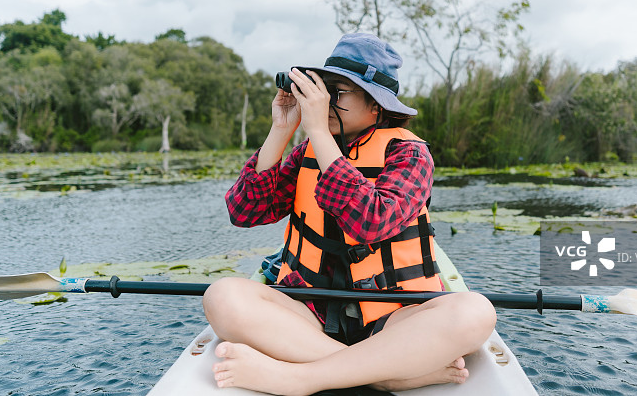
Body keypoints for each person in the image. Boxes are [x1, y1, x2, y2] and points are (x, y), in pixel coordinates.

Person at [202, 33, 496, 395]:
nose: (322, 101)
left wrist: (317, 133)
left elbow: (371, 222)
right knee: (222, 297)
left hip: (393, 313)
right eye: (321, 89)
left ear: (376, 106)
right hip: (310, 312)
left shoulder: (410, 155)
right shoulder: (307, 151)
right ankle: (385, 376)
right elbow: (245, 210)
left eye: (336, 93)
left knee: (476, 313)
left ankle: (299, 379)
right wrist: (281, 129)